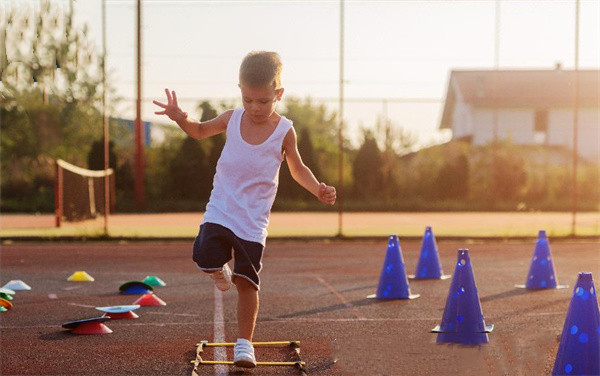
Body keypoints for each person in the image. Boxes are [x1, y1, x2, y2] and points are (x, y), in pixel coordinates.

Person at [153, 51, 336, 368]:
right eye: (249, 99)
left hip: (252, 222)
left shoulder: (284, 131)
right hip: (221, 210)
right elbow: (198, 131)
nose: (255, 107)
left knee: (247, 284)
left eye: (263, 101)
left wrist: (318, 188)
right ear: (240, 90)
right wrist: (180, 117)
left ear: (278, 94)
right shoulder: (231, 118)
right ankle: (218, 272)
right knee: (203, 255)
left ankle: (244, 344)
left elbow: (297, 169)